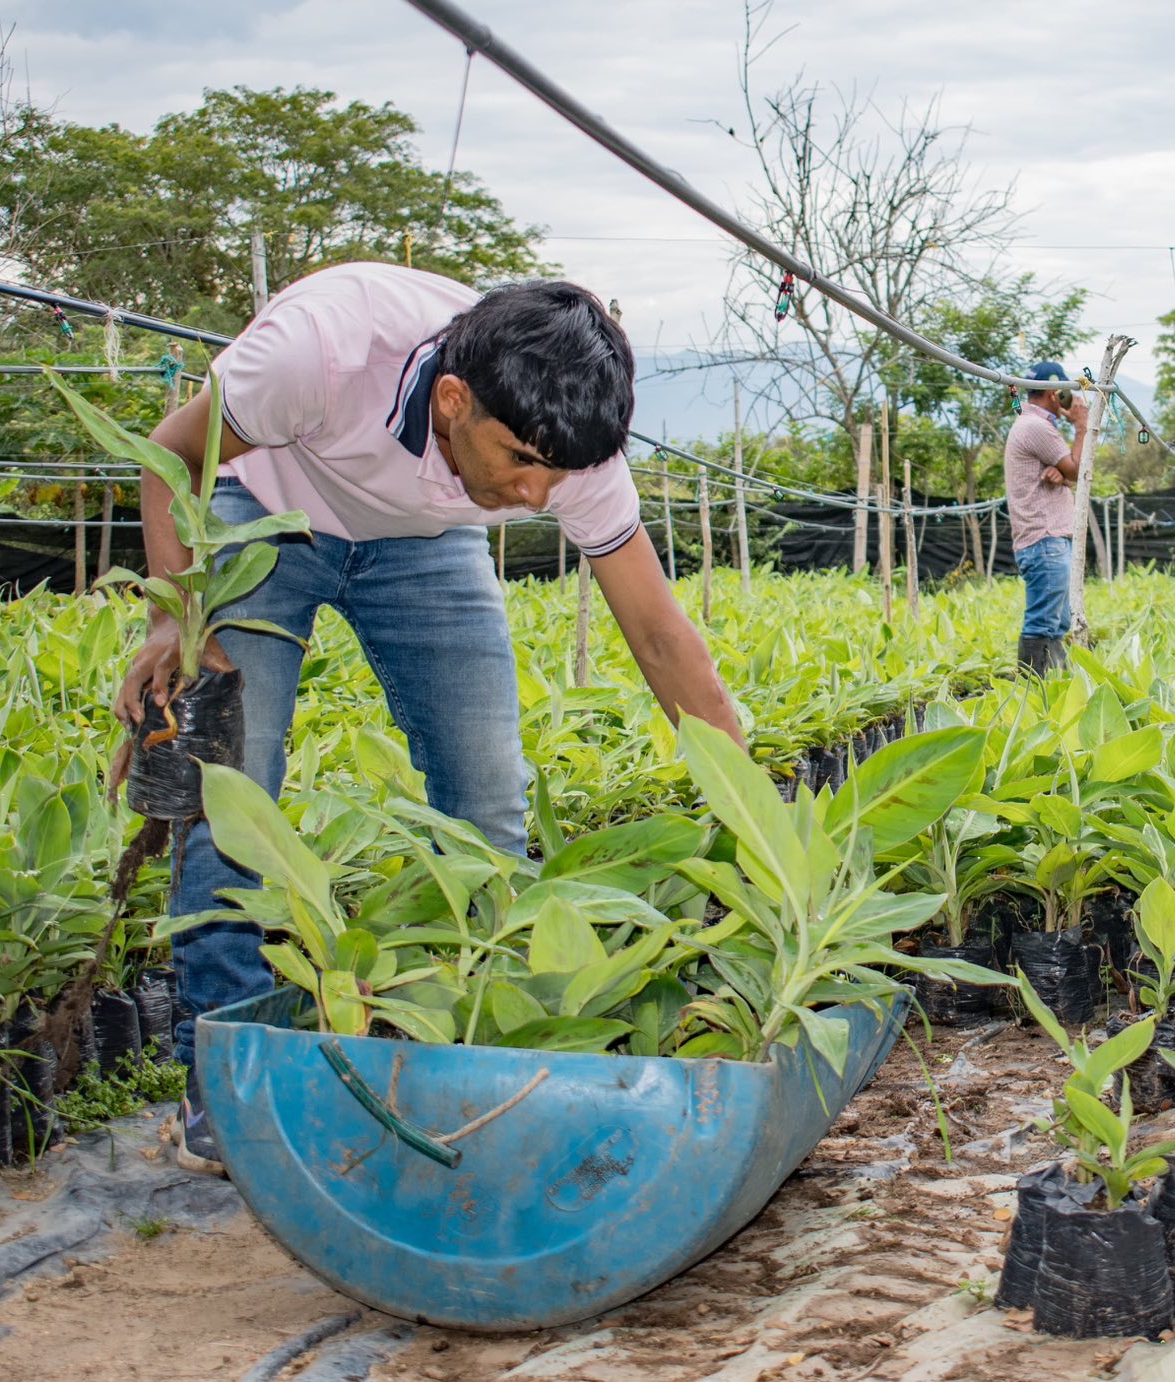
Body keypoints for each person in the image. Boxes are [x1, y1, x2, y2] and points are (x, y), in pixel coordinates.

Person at [118, 262, 742, 1173]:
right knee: (232, 794)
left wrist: (752, 810)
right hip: (262, 510)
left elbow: (659, 635)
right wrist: (174, 613)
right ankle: (224, 1080)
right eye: (522, 462)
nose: (538, 496)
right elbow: (168, 453)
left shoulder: (568, 446)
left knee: (488, 794)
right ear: (453, 401)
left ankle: (472, 1053)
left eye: (558, 474)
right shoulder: (320, 352)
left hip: (424, 543)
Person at [1002, 361, 1092, 673]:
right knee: (1043, 622)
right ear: (1055, 393)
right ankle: (1032, 688)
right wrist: (1082, 425)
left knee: (1057, 623)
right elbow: (1079, 470)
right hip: (1045, 539)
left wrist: (1062, 474)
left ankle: (1053, 686)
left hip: (1049, 540)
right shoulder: (1036, 427)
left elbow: (1068, 472)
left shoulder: (1032, 424)